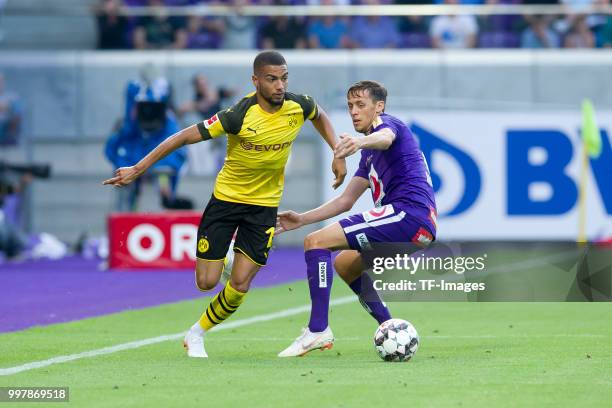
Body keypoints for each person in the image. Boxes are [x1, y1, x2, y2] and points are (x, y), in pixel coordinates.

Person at [103, 51, 347, 358]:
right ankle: (229, 259)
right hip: (226, 202)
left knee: (241, 284)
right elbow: (181, 137)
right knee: (206, 282)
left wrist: (337, 150)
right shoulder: (237, 115)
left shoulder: (298, 105)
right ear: (255, 80)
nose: (279, 86)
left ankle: (196, 333)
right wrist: (139, 168)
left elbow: (319, 114)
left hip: (264, 208)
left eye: (284, 78)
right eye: (271, 79)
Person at [276, 80, 437, 357]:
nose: (354, 111)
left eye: (361, 105)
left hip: (407, 215)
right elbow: (345, 201)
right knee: (345, 264)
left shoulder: (389, 125)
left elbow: (385, 137)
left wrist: (359, 141)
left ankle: (318, 330)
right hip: (418, 229)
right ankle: (389, 326)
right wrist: (301, 219)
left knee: (316, 242)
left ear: (379, 107)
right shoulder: (368, 155)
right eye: (350, 105)